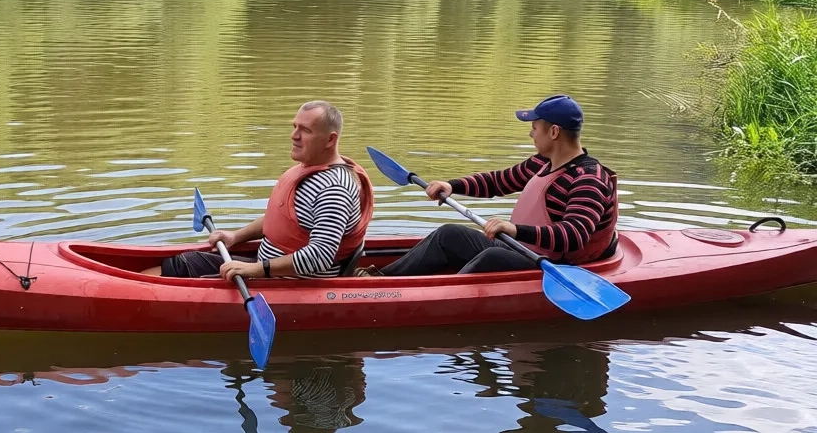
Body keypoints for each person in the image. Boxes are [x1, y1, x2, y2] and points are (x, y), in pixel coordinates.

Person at [367, 94, 618, 277]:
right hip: (523, 249)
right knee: (449, 234)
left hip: (554, 263)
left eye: (534, 128)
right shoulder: (544, 161)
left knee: (492, 256)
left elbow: (573, 236)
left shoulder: (588, 179)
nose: (531, 135)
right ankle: (379, 281)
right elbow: (499, 181)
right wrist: (452, 186)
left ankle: (435, 298)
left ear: (553, 132)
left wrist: (514, 229)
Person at [158, 101, 374, 280]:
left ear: (330, 139)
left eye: (305, 130)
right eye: (294, 126)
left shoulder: (334, 188)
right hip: (267, 271)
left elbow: (320, 255)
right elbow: (283, 219)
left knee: (182, 267)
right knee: (182, 264)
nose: (294, 135)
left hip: (292, 283)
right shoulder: (310, 170)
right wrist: (235, 236)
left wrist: (256, 269)